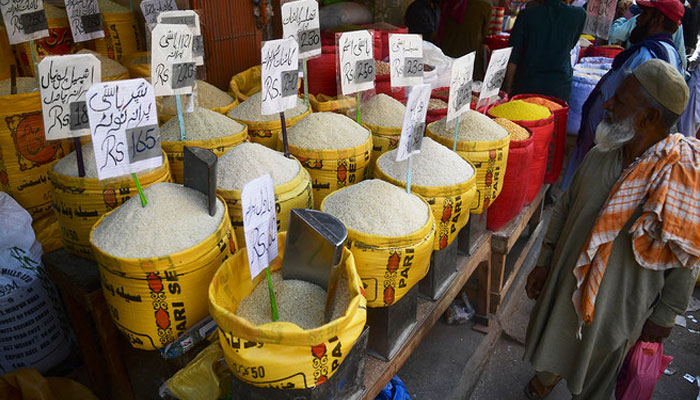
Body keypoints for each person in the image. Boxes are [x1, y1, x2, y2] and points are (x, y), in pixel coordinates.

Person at [524, 59, 700, 400]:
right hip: (565, 285)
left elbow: (687, 255)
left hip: (615, 310)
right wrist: (545, 260)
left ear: (649, 118)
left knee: (595, 377)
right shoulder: (600, 155)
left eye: (619, 100)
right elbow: (564, 208)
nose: (607, 103)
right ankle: (545, 380)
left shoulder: (681, 182)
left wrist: (665, 314)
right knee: (553, 341)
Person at [562, 0, 685, 189]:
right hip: (609, 139)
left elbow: (634, 105)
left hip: (612, 143)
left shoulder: (648, 55)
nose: (637, 20)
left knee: (587, 189)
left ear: (657, 19)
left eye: (643, 14)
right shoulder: (669, 52)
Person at [502, 0, 586, 102]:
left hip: (528, 84)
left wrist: (507, 86)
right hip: (559, 86)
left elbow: (513, 56)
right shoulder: (579, 14)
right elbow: (571, 44)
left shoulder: (526, 15)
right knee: (555, 116)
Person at [608, 5, 687, 70]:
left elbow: (613, 35)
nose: (638, 18)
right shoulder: (673, 55)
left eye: (645, 13)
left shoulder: (645, 55)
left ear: (659, 19)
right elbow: (683, 59)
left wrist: (622, 19)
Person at [436, 0, 492, 78]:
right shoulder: (485, 5)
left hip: (447, 56)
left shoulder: (448, 3)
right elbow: (484, 33)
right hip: (469, 58)